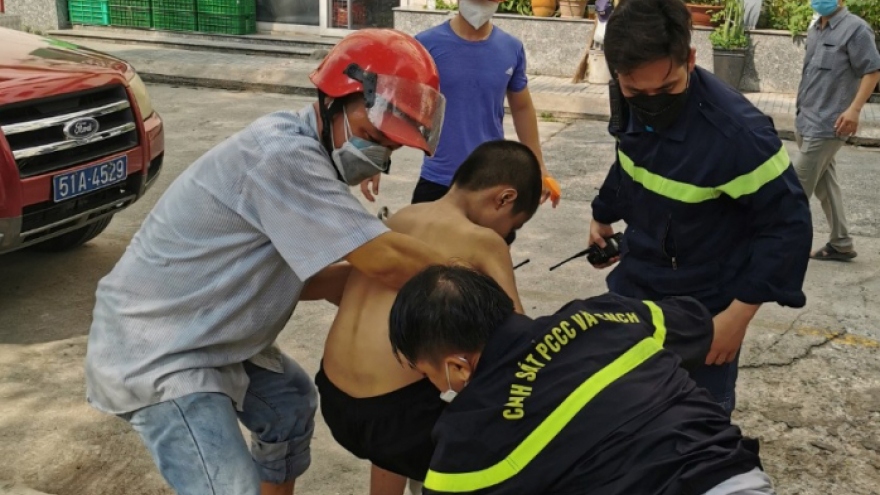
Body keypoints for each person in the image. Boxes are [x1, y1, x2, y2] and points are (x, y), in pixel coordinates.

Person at [84, 29, 449, 495]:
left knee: (289, 405)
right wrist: (468, 276)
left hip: (214, 333)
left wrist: (364, 294)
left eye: (390, 149)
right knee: (228, 488)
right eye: (371, 137)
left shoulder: (306, 157)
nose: (377, 156)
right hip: (159, 349)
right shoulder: (283, 156)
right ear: (332, 101)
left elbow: (305, 278)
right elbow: (383, 258)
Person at [589, 0, 813, 415]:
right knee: (626, 410)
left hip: (705, 310)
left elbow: (788, 225)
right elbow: (630, 161)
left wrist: (737, 318)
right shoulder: (626, 98)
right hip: (636, 286)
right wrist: (602, 214)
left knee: (696, 422)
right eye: (636, 91)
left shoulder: (738, 136)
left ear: (690, 59)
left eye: (666, 89)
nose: (651, 103)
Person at [388, 265, 776, 495]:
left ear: (457, 368)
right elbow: (695, 323)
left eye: (428, 374)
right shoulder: (608, 314)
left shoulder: (465, 442)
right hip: (739, 478)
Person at [317, 140, 543, 495]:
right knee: (486, 386)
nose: (506, 236)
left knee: (418, 355)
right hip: (401, 424)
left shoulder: (400, 218)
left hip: (335, 403)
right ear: (504, 198)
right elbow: (517, 342)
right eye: (512, 226)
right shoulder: (484, 242)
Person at [382, 0, 560, 210]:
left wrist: (539, 165)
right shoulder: (425, 45)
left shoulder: (511, 48)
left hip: (490, 182)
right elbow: (399, 103)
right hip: (438, 179)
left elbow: (522, 108)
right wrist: (378, 156)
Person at [793, 0, 880, 261]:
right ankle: (841, 243)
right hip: (806, 119)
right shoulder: (815, 29)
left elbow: (872, 71)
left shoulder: (856, 29)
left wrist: (854, 109)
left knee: (793, 189)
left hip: (829, 125)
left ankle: (779, 248)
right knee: (826, 186)